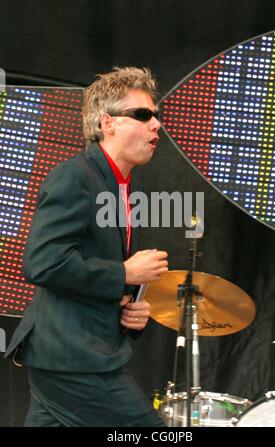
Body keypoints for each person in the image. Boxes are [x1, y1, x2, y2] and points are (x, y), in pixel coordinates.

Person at [5, 66, 168, 427]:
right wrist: (124, 272)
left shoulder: (127, 191)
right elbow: (43, 262)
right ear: (107, 123)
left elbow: (91, 273)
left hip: (75, 355)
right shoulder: (75, 176)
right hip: (74, 360)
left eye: (156, 116)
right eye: (142, 115)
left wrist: (132, 314)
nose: (155, 124)